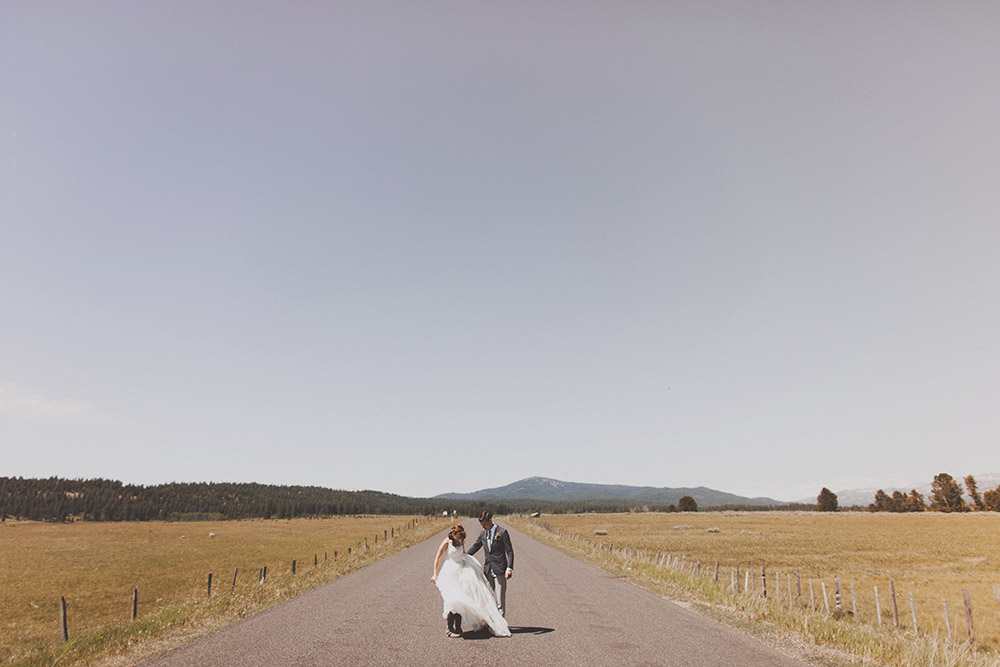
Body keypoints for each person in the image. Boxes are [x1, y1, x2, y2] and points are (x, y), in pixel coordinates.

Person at [431, 523, 511, 638]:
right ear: (453, 535)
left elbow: (464, 555)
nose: (460, 540)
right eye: (458, 538)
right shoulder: (447, 542)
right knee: (452, 599)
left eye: (461, 538)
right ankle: (449, 628)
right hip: (449, 573)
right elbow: (437, 558)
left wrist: (472, 567)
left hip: (460, 572)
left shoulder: (461, 542)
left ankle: (458, 627)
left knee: (462, 599)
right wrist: (435, 574)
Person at [465, 511, 513, 617]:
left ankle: (501, 625)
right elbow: (475, 546)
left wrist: (509, 568)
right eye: (481, 525)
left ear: (490, 521)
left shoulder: (502, 532)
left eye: (484, 525)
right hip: (487, 569)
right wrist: (464, 556)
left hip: (500, 569)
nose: (483, 527)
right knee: (487, 597)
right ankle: (491, 622)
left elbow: (509, 551)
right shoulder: (483, 533)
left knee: (500, 600)